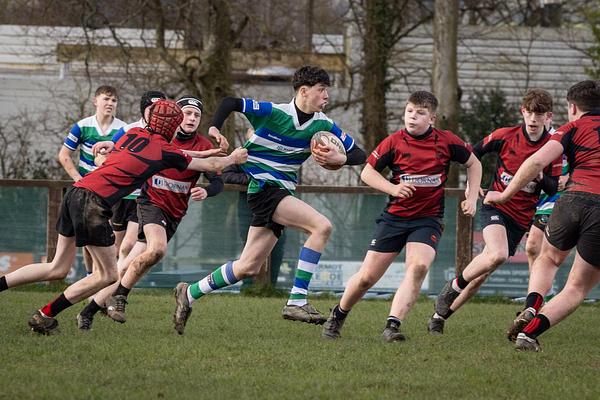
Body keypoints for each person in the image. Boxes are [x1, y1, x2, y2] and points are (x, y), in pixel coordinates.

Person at [0, 99, 247, 335]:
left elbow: (178, 152)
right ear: (172, 127)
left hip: (75, 193)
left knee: (57, 268)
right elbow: (209, 166)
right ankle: (45, 315)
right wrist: (232, 158)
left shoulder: (134, 133)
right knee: (108, 275)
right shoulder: (164, 150)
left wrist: (207, 152)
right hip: (93, 204)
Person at [171, 65, 367, 335]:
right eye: (322, 90)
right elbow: (230, 102)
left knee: (248, 266)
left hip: (280, 192)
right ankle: (297, 300)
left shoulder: (323, 125)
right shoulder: (274, 112)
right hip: (264, 188)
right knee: (321, 227)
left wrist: (341, 158)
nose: (326, 96)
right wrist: (214, 127)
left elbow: (360, 154)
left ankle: (189, 293)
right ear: (304, 91)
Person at [321, 91, 482, 341]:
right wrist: (393, 188)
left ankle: (392, 326)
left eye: (420, 113)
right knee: (366, 278)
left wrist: (471, 198)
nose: (412, 116)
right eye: (409, 111)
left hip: (428, 219)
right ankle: (338, 315)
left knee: (418, 267)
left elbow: (474, 163)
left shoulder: (446, 141)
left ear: (432, 118)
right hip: (394, 218)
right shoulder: (394, 142)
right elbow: (367, 173)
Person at [75, 95, 226, 329]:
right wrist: (108, 150)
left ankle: (89, 311)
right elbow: (126, 148)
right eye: (187, 113)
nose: (192, 118)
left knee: (132, 263)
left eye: (197, 115)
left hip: (175, 212)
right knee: (154, 249)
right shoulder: (159, 138)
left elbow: (218, 181)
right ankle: (119, 296)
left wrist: (207, 191)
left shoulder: (204, 145)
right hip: (151, 203)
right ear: (175, 118)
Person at [428, 88, 561, 335]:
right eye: (529, 113)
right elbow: (472, 155)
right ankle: (453, 286)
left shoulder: (552, 148)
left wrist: (541, 178)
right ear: (522, 112)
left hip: (521, 219)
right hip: (495, 206)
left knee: (482, 274)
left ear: (548, 116)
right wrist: (474, 184)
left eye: (539, 114)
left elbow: (553, 187)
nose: (533, 119)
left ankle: (439, 316)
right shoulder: (505, 136)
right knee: (497, 254)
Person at [485, 80, 600, 351]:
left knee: (547, 258)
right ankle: (529, 334)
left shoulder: (570, 128)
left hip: (571, 200)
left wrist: (504, 195)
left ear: (573, 107)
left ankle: (531, 306)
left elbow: (536, 161)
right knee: (576, 287)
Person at [57, 85, 127, 275]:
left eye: (114, 100)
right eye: (106, 99)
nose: (110, 103)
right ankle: (91, 276)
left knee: (110, 239)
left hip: (112, 192)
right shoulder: (82, 126)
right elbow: (64, 155)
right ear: (95, 101)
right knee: (88, 238)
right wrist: (78, 179)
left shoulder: (123, 129)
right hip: (87, 191)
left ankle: (102, 278)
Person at [108, 91, 167, 260]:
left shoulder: (167, 134)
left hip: (146, 197)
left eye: (160, 109)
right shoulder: (128, 130)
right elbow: (105, 155)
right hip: (123, 195)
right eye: (151, 109)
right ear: (143, 110)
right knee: (116, 246)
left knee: (128, 245)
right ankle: (107, 274)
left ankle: (121, 276)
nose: (155, 113)